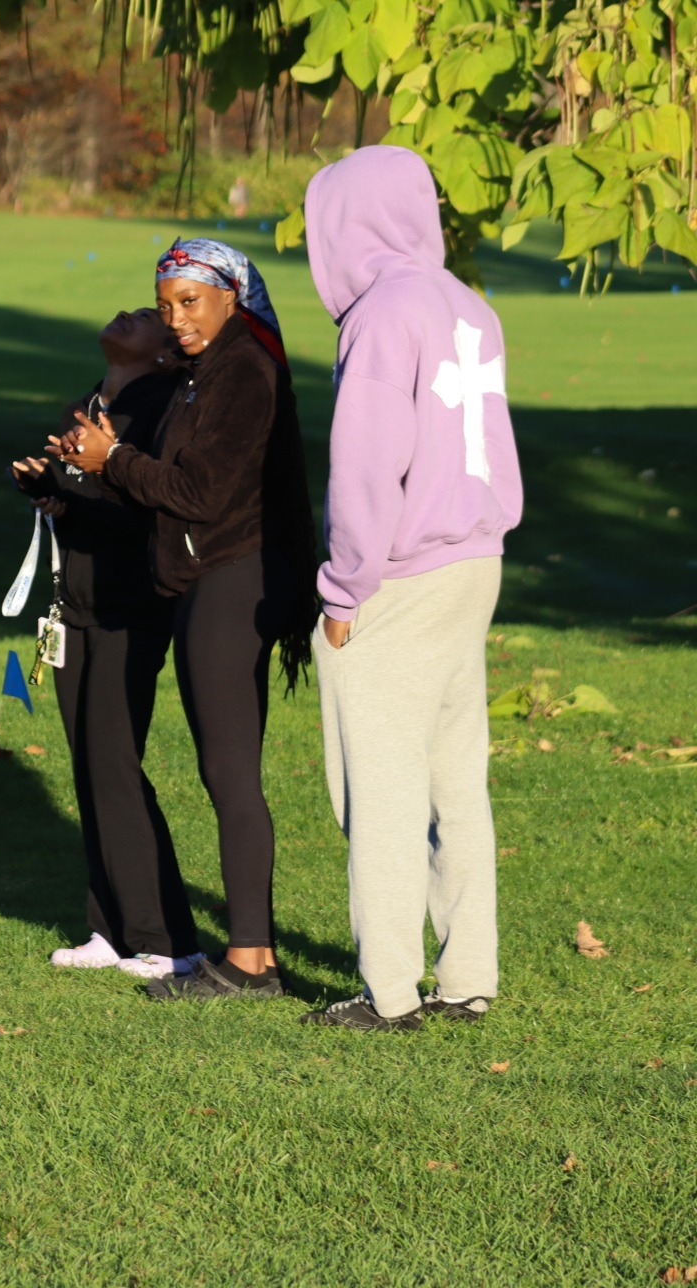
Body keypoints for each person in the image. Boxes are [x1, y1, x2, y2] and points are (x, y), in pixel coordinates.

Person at [54, 237, 319, 1001]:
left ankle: (248, 963)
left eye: (190, 302)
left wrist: (112, 460)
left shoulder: (245, 371)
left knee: (229, 774)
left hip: (235, 579)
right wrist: (90, 473)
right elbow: (168, 486)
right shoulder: (207, 370)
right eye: (165, 305)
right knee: (222, 772)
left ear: (232, 297)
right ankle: (253, 957)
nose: (175, 319)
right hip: (208, 581)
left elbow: (199, 494)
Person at [297, 146, 523, 1031]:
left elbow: (365, 467)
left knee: (381, 783)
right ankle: (467, 975)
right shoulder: (470, 304)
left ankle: (388, 994)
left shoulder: (382, 315)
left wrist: (342, 591)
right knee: (455, 778)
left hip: (402, 573)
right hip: (476, 562)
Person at [13, 308, 203, 979]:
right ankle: (110, 928)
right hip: (77, 610)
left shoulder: (161, 409)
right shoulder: (90, 402)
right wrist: (49, 490)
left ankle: (168, 940)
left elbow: (152, 512)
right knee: (91, 766)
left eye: (150, 316)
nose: (134, 313)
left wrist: (77, 491)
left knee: (115, 763)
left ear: (165, 354)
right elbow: (85, 505)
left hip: (131, 611)